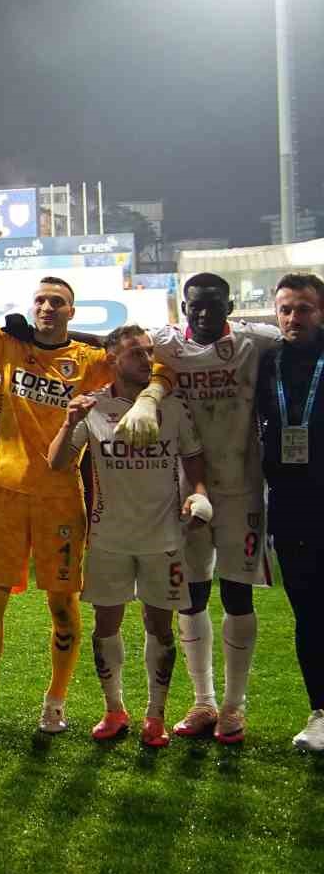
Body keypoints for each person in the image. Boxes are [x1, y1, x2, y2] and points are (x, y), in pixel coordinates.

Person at [0, 199, 175, 736]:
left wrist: (145, 396)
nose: (47, 307)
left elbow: (155, 360)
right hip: (4, 494)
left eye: (57, 302)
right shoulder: (8, 348)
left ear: (72, 311)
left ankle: (55, 702)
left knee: (65, 609)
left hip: (62, 498)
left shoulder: (91, 363)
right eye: (41, 300)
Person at [50, 325, 210, 746]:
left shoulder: (172, 406)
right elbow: (57, 462)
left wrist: (198, 494)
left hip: (164, 538)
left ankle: (155, 715)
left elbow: (194, 461)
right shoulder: (93, 406)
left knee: (160, 626)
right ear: (112, 359)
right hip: (109, 539)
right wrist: (68, 423)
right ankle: (114, 709)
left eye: (149, 351)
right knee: (106, 625)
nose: (147, 359)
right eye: (136, 353)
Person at [140, 274, 279, 742]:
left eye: (213, 305)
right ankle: (203, 702)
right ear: (184, 306)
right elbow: (114, 345)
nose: (202, 313)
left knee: (237, 594)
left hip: (241, 489)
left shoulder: (255, 341)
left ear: (230, 306)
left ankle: (234, 707)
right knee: (191, 595)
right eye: (195, 305)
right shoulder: (166, 343)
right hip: (185, 491)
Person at [254, 274, 324, 752]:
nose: (293, 317)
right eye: (285, 309)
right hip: (291, 504)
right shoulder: (268, 361)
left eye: (303, 308)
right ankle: (320, 711)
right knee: (308, 613)